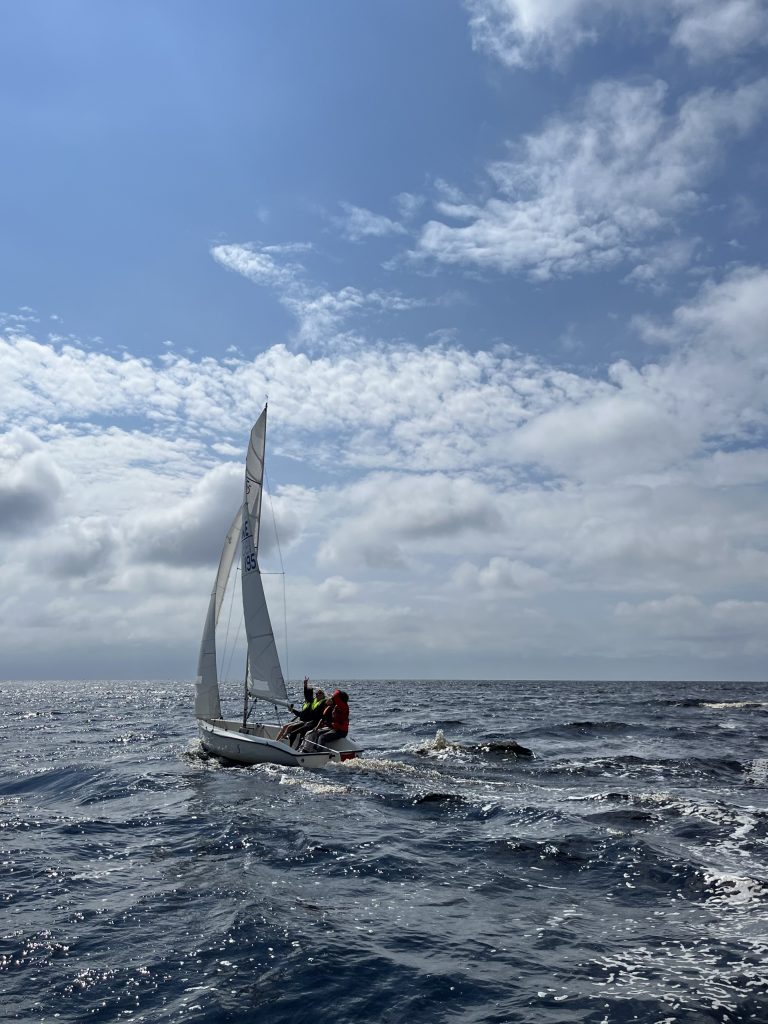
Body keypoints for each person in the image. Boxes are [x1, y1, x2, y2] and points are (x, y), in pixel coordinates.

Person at [276, 677, 326, 747]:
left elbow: (307, 694)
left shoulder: (312, 702)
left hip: (306, 722)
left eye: (319, 693)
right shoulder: (307, 703)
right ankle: (276, 741)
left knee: (290, 728)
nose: (317, 694)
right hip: (302, 720)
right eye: (316, 693)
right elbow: (301, 714)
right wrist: (293, 710)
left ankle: (281, 743)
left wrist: (305, 686)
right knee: (285, 726)